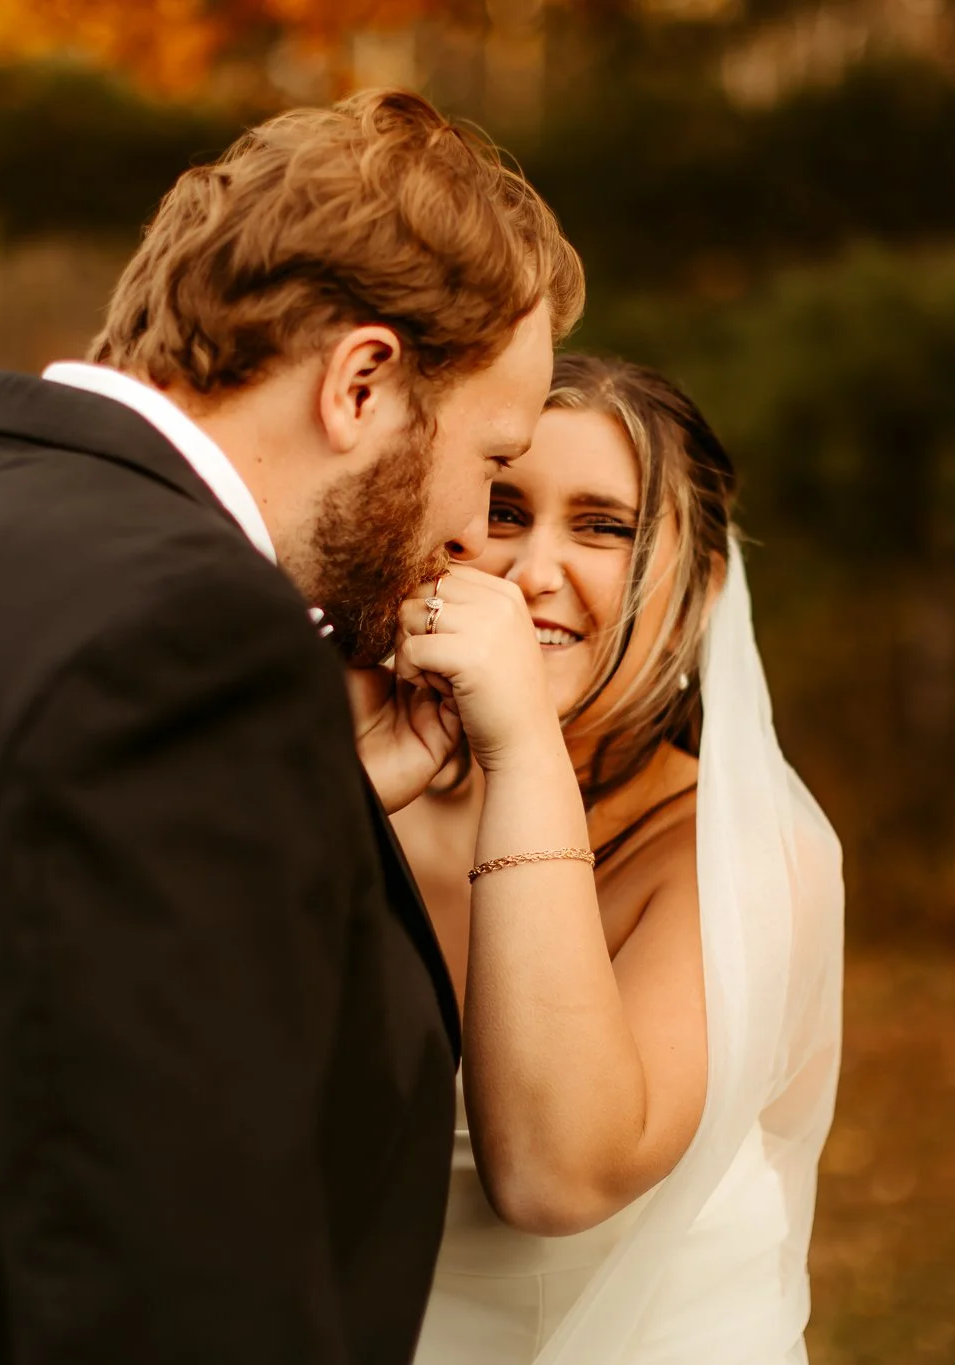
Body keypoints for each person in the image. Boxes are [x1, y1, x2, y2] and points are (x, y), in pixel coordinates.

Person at [0, 90, 583, 1365]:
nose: (477, 534)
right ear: (362, 381)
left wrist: (322, 807)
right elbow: (178, 1276)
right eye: (491, 461)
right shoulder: (195, 636)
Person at [364, 355, 844, 1364]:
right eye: (502, 510)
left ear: (702, 589)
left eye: (600, 527)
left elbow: (556, 1176)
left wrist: (520, 745)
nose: (532, 570)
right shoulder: (363, 791)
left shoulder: (749, 861)